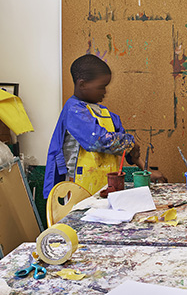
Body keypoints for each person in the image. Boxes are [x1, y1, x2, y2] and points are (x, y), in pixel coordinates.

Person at [43, 54, 148, 198]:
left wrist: (145, 170)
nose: (105, 92)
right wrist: (130, 143)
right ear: (82, 84)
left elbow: (128, 150)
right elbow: (97, 140)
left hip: (107, 187)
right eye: (101, 87)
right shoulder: (73, 110)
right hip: (78, 188)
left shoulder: (105, 114)